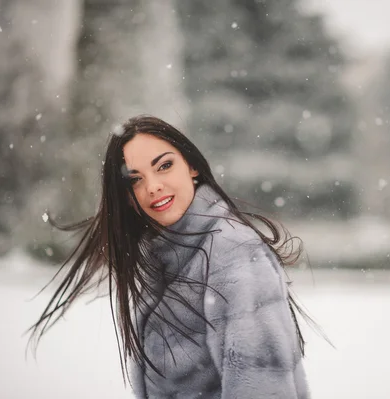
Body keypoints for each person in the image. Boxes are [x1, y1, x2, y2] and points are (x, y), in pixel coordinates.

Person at [28, 115, 311, 398]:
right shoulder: (162, 259)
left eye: (164, 166)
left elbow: (261, 387)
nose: (152, 187)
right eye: (135, 179)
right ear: (127, 196)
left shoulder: (232, 253)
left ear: (193, 166)